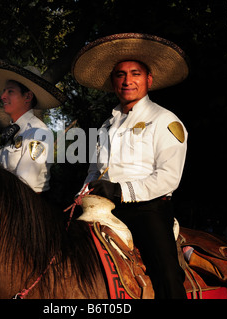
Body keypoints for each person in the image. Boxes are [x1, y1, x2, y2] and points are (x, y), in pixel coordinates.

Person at [72, 33, 190, 298]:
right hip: (101, 205)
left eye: (135, 73)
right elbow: (95, 171)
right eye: (120, 75)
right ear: (113, 82)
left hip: (147, 209)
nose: (127, 81)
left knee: (166, 275)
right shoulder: (106, 126)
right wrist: (82, 193)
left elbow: (169, 177)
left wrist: (120, 190)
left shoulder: (165, 120)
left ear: (149, 80)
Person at [0, 59, 66, 193]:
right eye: (4, 91)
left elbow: (24, 185)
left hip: (27, 207)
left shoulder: (38, 132)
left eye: (10, 92)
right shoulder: (10, 132)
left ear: (27, 97)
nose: (3, 96)